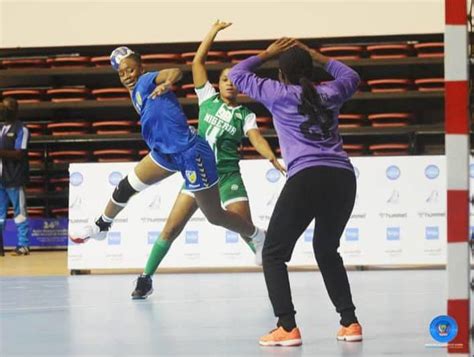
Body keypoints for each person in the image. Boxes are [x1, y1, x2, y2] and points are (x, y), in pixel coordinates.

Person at [71, 46, 266, 268]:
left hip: (192, 154)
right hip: (164, 153)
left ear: (141, 67)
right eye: (121, 73)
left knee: (215, 216)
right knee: (126, 186)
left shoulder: (147, 80)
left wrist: (166, 83)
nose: (126, 76)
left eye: (130, 70)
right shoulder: (135, 94)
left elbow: (175, 71)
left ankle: (258, 235)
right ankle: (101, 226)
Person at [131, 21, 285, 299]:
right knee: (172, 228)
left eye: (234, 81)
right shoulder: (207, 98)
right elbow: (196, 62)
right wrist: (212, 32)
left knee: (246, 230)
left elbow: (256, 138)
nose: (230, 84)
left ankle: (274, 281)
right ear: (219, 83)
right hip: (196, 173)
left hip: (228, 176)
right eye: (225, 79)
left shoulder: (244, 114)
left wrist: (272, 156)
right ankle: (145, 278)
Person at [228, 38, 362, 346]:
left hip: (307, 177)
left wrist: (267, 54)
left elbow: (236, 73)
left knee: (273, 253)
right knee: (327, 250)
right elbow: (352, 77)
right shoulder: (330, 91)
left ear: (282, 75)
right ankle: (350, 322)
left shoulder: (279, 93)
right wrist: (318, 56)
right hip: (343, 177)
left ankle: (287, 327)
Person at [0, 97, 30, 256]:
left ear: (15, 110)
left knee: (19, 212)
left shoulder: (21, 129)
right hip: (1, 177)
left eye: (7, 107)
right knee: (0, 213)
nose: (4, 109)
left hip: (15, 177)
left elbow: (20, 153)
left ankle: (23, 245)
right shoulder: (1, 127)